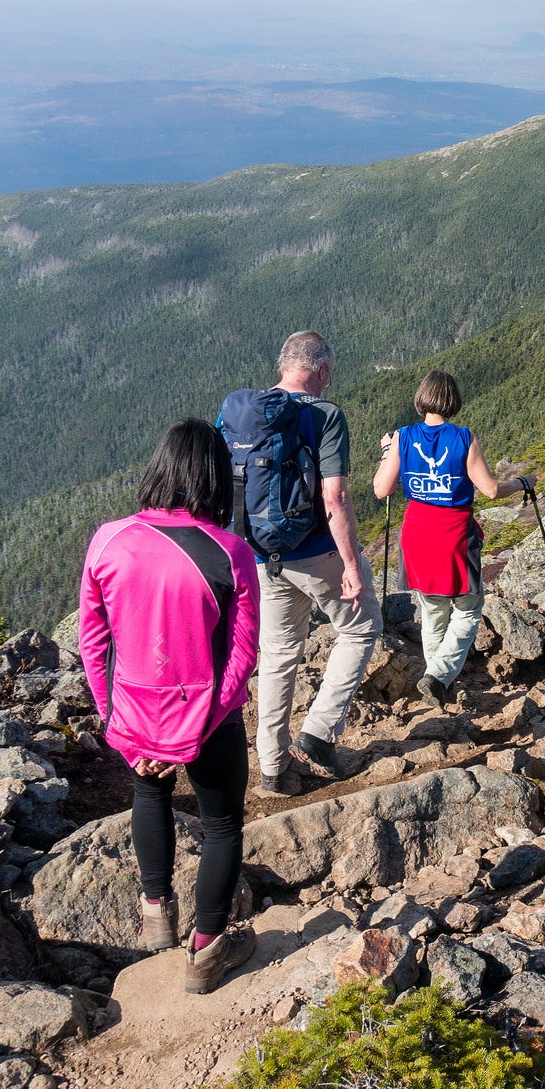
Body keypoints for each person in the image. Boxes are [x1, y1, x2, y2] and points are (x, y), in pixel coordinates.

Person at [77, 420, 259, 995]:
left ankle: (157, 909)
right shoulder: (230, 554)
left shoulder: (108, 540)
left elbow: (93, 640)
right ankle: (207, 952)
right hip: (209, 716)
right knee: (224, 824)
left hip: (134, 710)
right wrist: (201, 724)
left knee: (149, 792)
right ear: (213, 479)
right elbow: (243, 653)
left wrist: (118, 726)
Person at [219, 331, 381, 797]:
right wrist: (350, 563)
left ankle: (271, 766)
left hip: (256, 557)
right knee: (362, 625)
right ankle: (319, 734)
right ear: (322, 370)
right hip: (315, 552)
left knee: (277, 656)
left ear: (282, 365)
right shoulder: (325, 415)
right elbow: (336, 496)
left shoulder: (241, 416)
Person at [373, 371, 534, 707]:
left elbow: (381, 489)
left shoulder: (402, 437)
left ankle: (437, 685)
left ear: (421, 398)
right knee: (468, 610)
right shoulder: (463, 438)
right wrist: (521, 482)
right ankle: (439, 676)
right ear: (453, 401)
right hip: (454, 535)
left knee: (432, 613)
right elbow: (490, 489)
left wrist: (387, 451)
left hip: (417, 533)